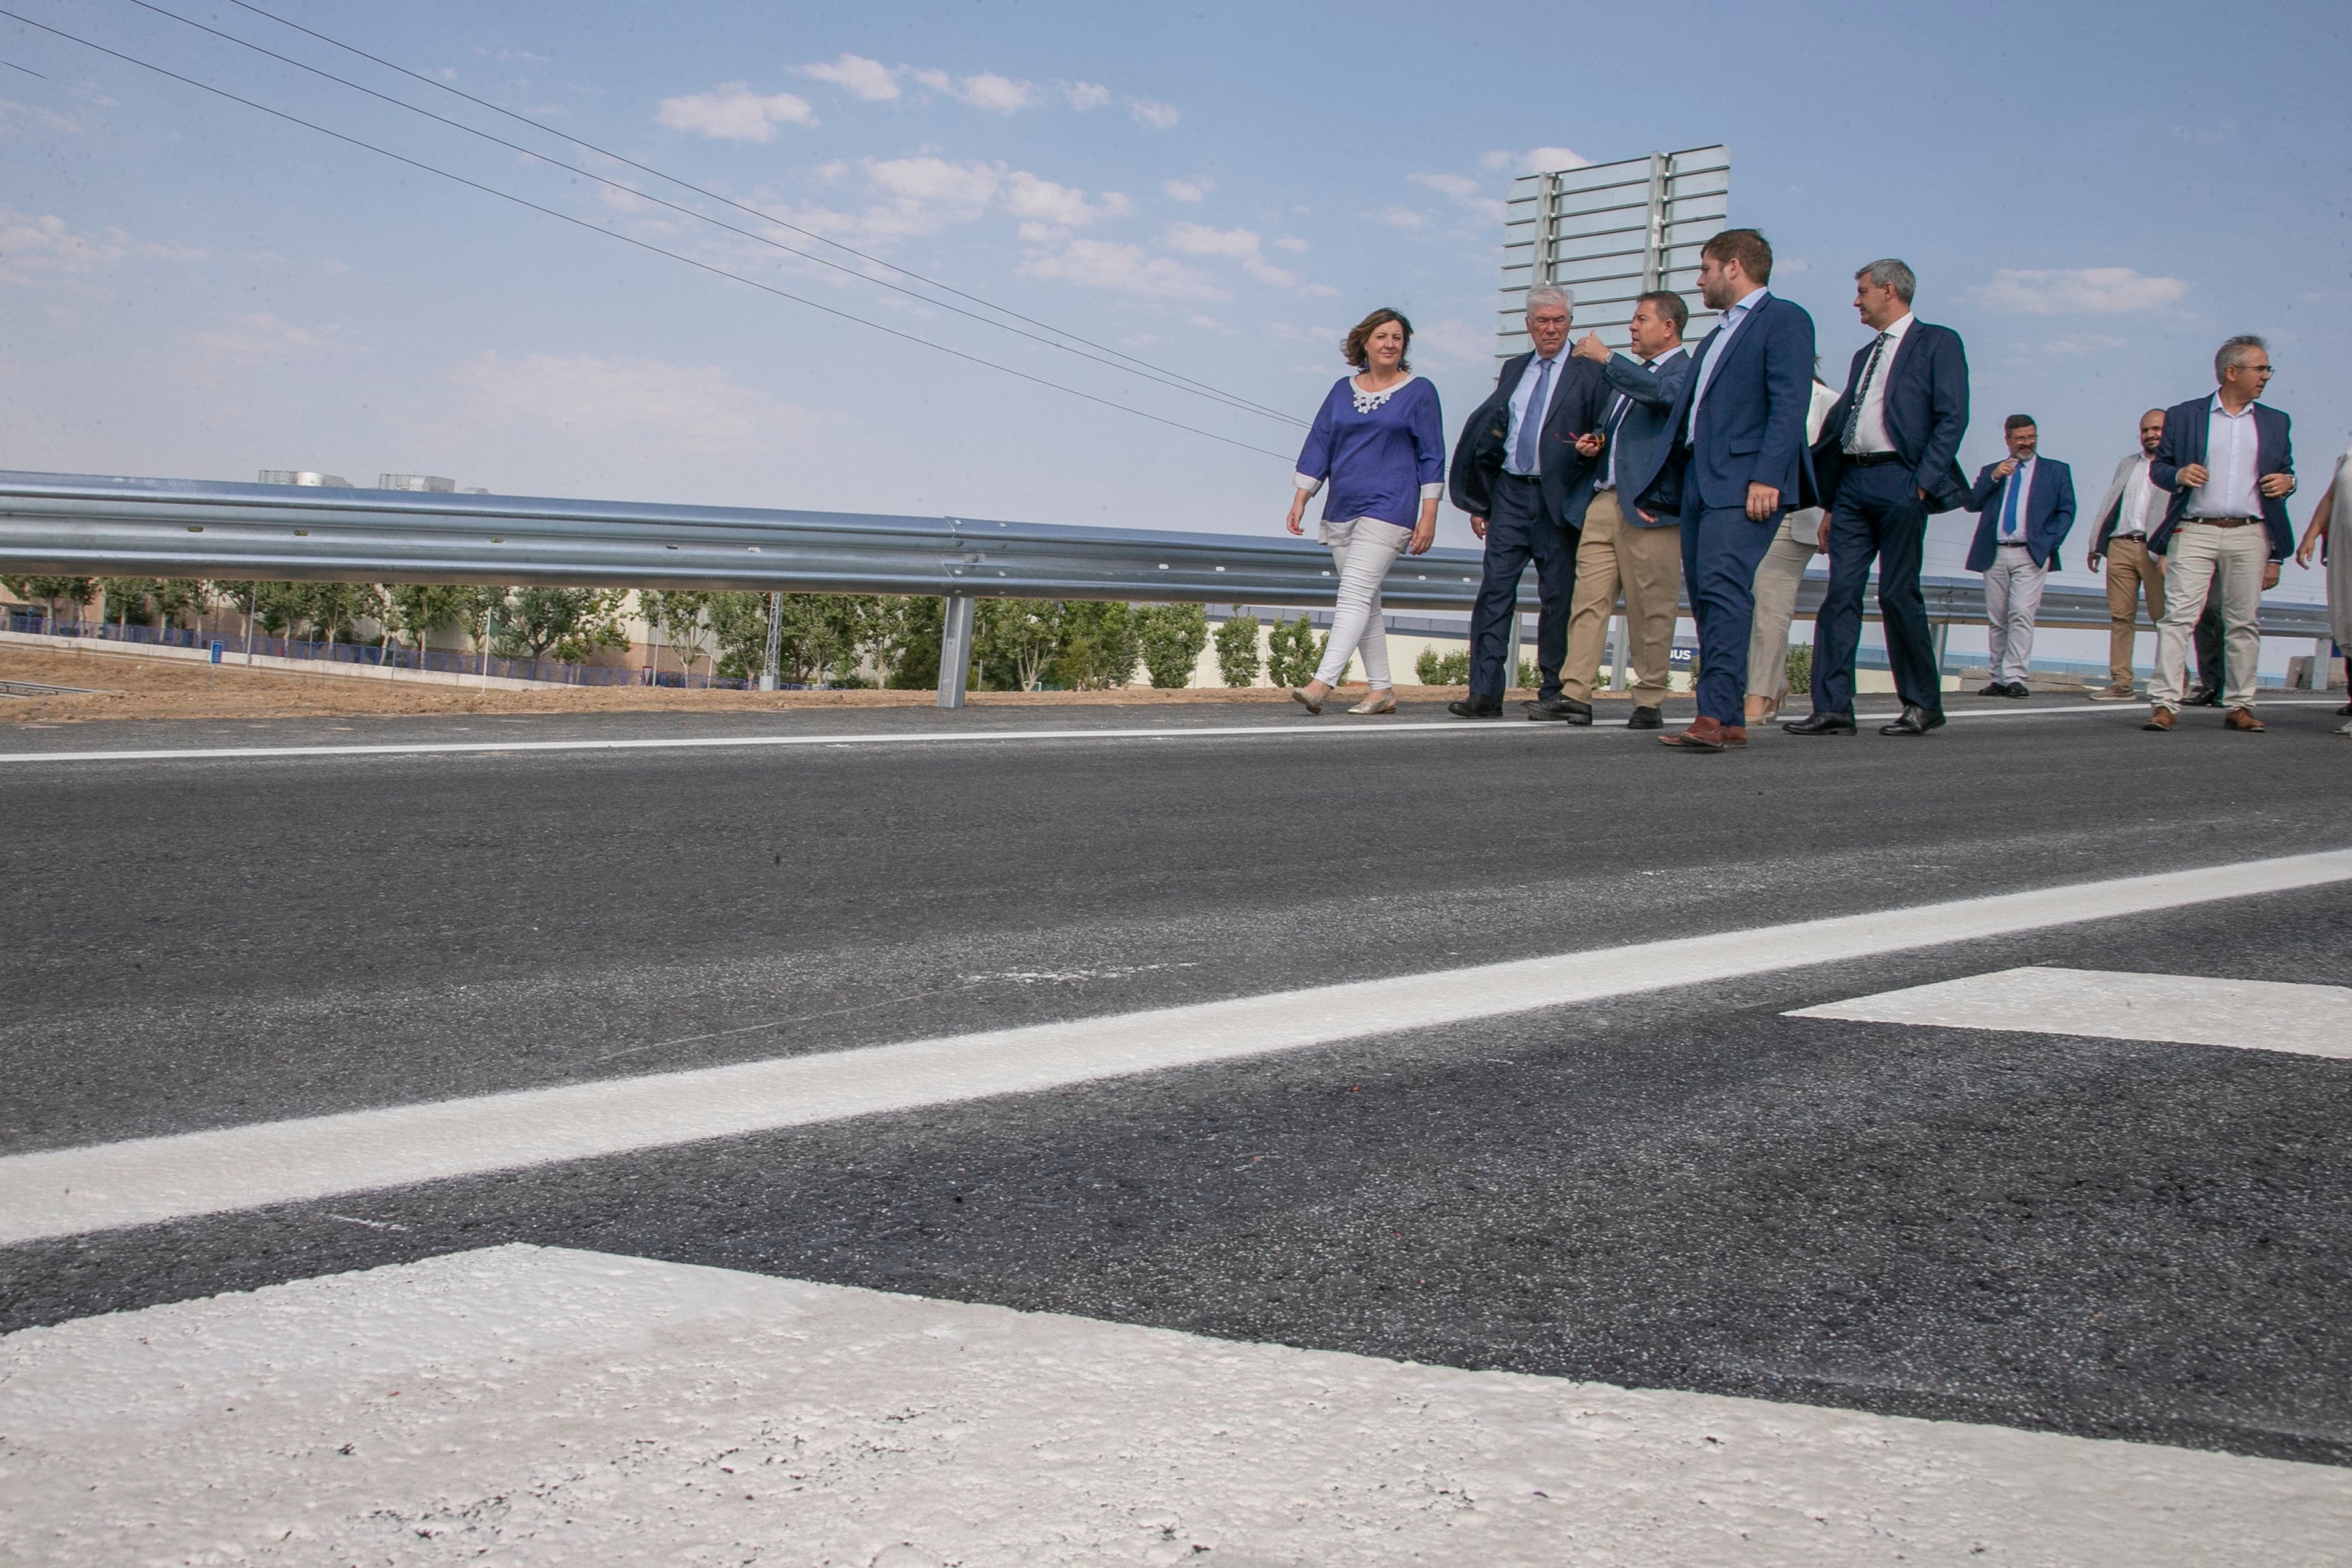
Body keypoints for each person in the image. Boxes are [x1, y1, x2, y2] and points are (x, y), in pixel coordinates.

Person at [1624, 228, 1817, 752]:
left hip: (1744, 481)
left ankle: (1710, 715)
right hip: (1699, 483)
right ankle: (1729, 716)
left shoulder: (1784, 319)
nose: (1699, 280)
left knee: (1723, 591)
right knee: (1709, 599)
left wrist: (1767, 475)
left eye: (1705, 268)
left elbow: (1788, 402)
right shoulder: (1715, 337)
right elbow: (1689, 416)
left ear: (1734, 266)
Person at [1786, 258, 1971, 739]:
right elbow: (1845, 424)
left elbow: (1953, 418)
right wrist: (1828, 504)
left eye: (1862, 291)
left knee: (1895, 592)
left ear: (1889, 291)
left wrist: (1923, 483)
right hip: (1852, 484)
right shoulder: (1863, 355)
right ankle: (1832, 708)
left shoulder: (1938, 343)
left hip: (1902, 480)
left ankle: (1922, 703)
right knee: (1840, 593)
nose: (1856, 300)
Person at [1446, 285, 1607, 717]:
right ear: (1529, 325)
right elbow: (1495, 434)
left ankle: (1554, 689)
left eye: (1559, 321)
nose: (1551, 329)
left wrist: (1598, 443)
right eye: (1543, 321)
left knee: (1558, 597)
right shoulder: (1516, 368)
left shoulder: (1588, 369)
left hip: (1560, 499)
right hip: (1510, 494)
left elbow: (1606, 425)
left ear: (1570, 323)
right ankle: (1484, 692)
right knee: (1495, 592)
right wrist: (1480, 501)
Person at [1547, 290, 1694, 728]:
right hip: (1604, 501)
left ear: (1668, 327)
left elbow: (1665, 398)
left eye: (1641, 319)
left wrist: (1607, 358)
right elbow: (1622, 428)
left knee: (1651, 608)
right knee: (1588, 601)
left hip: (1651, 508)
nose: (1632, 326)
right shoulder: (1632, 376)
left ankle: (1648, 699)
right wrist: (1597, 440)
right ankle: (1576, 693)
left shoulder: (1684, 371)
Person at [1285, 307, 1443, 714]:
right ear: (1364, 344)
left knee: (1353, 593)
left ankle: (1322, 683)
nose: (1390, 344)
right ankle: (1382, 689)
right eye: (1382, 337)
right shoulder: (1342, 390)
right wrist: (1303, 496)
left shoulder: (1420, 391)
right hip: (1343, 506)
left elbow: (1432, 456)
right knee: (1366, 601)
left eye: (1397, 337)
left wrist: (1429, 514)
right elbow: (1320, 441)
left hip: (1391, 507)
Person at [2145, 335, 2296, 733]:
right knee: (2178, 618)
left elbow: (2285, 471)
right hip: (2194, 529)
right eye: (2259, 368)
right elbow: (2159, 469)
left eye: (2267, 369)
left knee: (2243, 621)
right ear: (2232, 372)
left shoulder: (2276, 421)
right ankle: (2164, 703)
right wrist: (2178, 474)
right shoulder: (2185, 415)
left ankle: (2240, 704)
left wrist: (2288, 481)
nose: (2266, 376)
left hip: (2250, 532)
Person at [1744, 372, 1841, 724]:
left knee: (1770, 606)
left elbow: (1839, 462)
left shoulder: (1828, 401)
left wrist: (1831, 510)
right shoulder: (1758, 398)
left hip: (1797, 516)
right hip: (1754, 513)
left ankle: (1759, 694)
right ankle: (1776, 681)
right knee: (1754, 604)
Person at [1962, 416, 2076, 697]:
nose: (2027, 443)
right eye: (2021, 438)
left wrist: (2049, 543)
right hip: (1996, 552)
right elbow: (1972, 503)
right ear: (2008, 440)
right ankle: (1998, 677)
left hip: (2031, 552)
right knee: (1998, 617)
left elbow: (2067, 511)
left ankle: (2015, 676)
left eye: (2031, 437)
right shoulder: (1993, 471)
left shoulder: (2056, 471)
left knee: (2021, 613)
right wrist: (1994, 477)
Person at [2082, 409, 2171, 699]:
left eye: (2156, 429)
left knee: (2165, 618)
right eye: (2146, 430)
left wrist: (2170, 550)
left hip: (2155, 548)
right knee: (2121, 617)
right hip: (2120, 544)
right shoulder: (2128, 464)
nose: (2151, 435)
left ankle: (2171, 681)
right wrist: (2097, 544)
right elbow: (2111, 503)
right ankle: (2121, 682)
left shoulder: (2176, 466)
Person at [2290, 440, 2352, 735]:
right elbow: (2331, 498)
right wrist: (2311, 534)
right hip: (2346, 552)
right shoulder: (2348, 457)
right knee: (2348, 626)